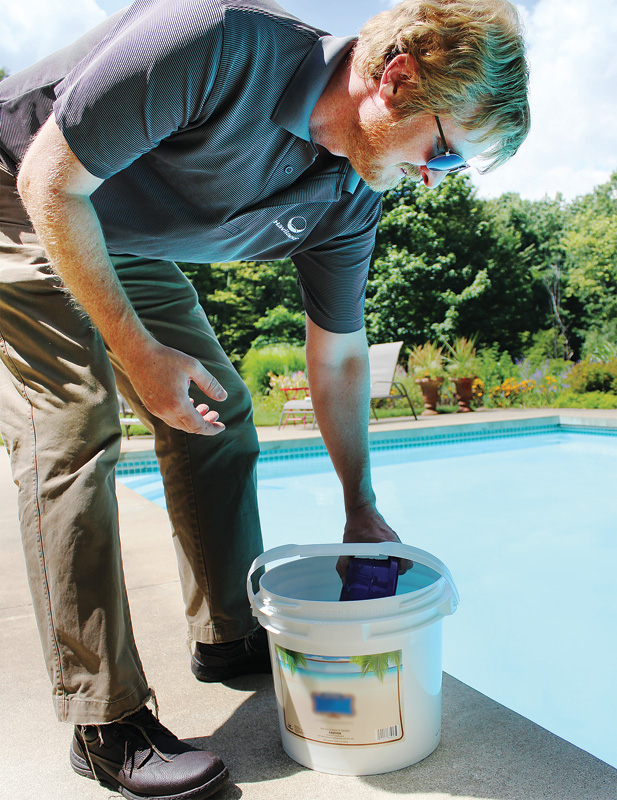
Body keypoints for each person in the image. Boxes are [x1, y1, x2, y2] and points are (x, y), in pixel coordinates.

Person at [0, 0, 529, 797]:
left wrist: (360, 505)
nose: (434, 180)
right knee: (72, 420)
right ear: (396, 78)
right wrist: (139, 355)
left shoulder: (353, 196)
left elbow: (339, 359)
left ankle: (225, 632)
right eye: (447, 156)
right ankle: (103, 721)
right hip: (25, 189)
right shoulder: (218, 41)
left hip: (110, 230)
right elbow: (49, 180)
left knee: (219, 410)